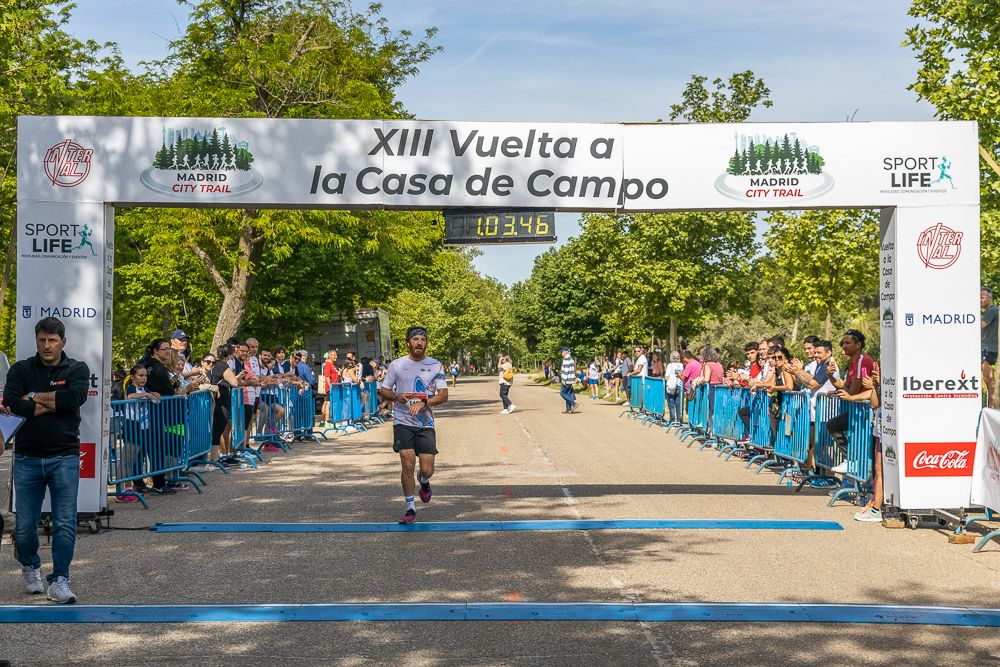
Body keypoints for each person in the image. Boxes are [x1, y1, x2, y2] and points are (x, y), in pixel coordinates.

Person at [2, 316, 90, 604]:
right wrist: (52, 401)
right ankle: (30, 565)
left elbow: (73, 399)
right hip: (27, 456)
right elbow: (13, 403)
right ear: (36, 341)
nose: (47, 345)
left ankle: (60, 579)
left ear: (63, 341)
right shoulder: (21, 369)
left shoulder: (76, 368)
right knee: (25, 525)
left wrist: (33, 397)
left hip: (64, 456)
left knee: (65, 522)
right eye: (42, 340)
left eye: (53, 340)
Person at [378, 326, 449, 524]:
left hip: (425, 423)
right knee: (407, 463)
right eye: (415, 339)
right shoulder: (397, 365)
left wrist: (425, 403)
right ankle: (410, 508)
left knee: (427, 469)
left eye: (423, 340)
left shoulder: (435, 365)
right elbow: (384, 390)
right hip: (402, 421)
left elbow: (444, 395)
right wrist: (396, 395)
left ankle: (424, 481)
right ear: (408, 342)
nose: (419, 343)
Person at [827, 329, 875, 474]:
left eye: (848, 343)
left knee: (834, 425)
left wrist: (847, 394)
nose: (844, 346)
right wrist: (830, 376)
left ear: (858, 344)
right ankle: (852, 463)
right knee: (837, 427)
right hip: (857, 409)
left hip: (866, 410)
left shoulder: (862, 361)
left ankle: (852, 461)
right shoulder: (852, 363)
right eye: (843, 343)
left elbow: (852, 391)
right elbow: (844, 386)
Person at [138, 338, 182, 494]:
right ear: (156, 351)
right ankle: (158, 483)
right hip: (153, 412)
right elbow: (168, 390)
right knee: (156, 447)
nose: (169, 351)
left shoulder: (143, 362)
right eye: (165, 349)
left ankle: (140, 483)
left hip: (142, 412)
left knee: (142, 448)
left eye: (169, 348)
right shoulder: (157, 367)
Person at [982, 287, 998, 407]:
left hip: (989, 349)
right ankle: (991, 405)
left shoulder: (992, 310)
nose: (980, 300)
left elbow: (980, 325)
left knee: (989, 377)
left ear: (990, 297)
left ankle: (993, 406)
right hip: (988, 348)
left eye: (982, 297)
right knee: (987, 377)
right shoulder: (990, 311)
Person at [664, 351, 684, 423]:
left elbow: (666, 377)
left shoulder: (670, 365)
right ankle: (679, 421)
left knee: (671, 404)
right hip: (679, 386)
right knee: (678, 405)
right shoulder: (681, 365)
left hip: (671, 386)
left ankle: (672, 421)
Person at [558, 347, 579, 414]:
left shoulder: (566, 359)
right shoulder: (571, 359)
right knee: (568, 394)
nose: (561, 353)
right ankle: (568, 409)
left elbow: (566, 371)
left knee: (562, 393)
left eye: (562, 352)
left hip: (566, 380)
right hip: (570, 379)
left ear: (565, 352)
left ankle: (574, 404)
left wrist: (563, 380)